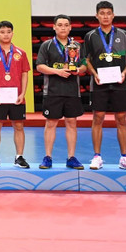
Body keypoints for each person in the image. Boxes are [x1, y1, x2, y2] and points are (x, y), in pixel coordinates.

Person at [84, 1, 126, 171]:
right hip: (99, 83)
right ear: (97, 16)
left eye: (108, 13)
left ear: (113, 15)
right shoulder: (90, 36)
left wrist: (124, 72)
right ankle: (97, 157)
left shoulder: (124, 34)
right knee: (97, 117)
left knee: (121, 119)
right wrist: (94, 74)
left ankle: (124, 157)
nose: (105, 16)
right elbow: (86, 60)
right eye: (102, 13)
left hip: (120, 83)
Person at [35, 14, 87, 170]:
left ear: (70, 27)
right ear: (54, 27)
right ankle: (48, 157)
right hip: (52, 91)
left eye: (66, 25)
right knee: (51, 123)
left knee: (72, 123)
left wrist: (78, 70)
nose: (63, 27)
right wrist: (57, 71)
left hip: (72, 91)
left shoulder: (77, 46)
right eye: (60, 25)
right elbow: (40, 66)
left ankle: (71, 157)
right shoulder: (47, 45)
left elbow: (84, 65)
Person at [0, 21, 31, 169]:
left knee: (18, 125)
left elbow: (24, 74)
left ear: (13, 33)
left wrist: (23, 93)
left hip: (16, 97)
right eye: (2, 32)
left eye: (8, 31)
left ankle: (19, 156)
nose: (6, 34)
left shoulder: (21, 53)